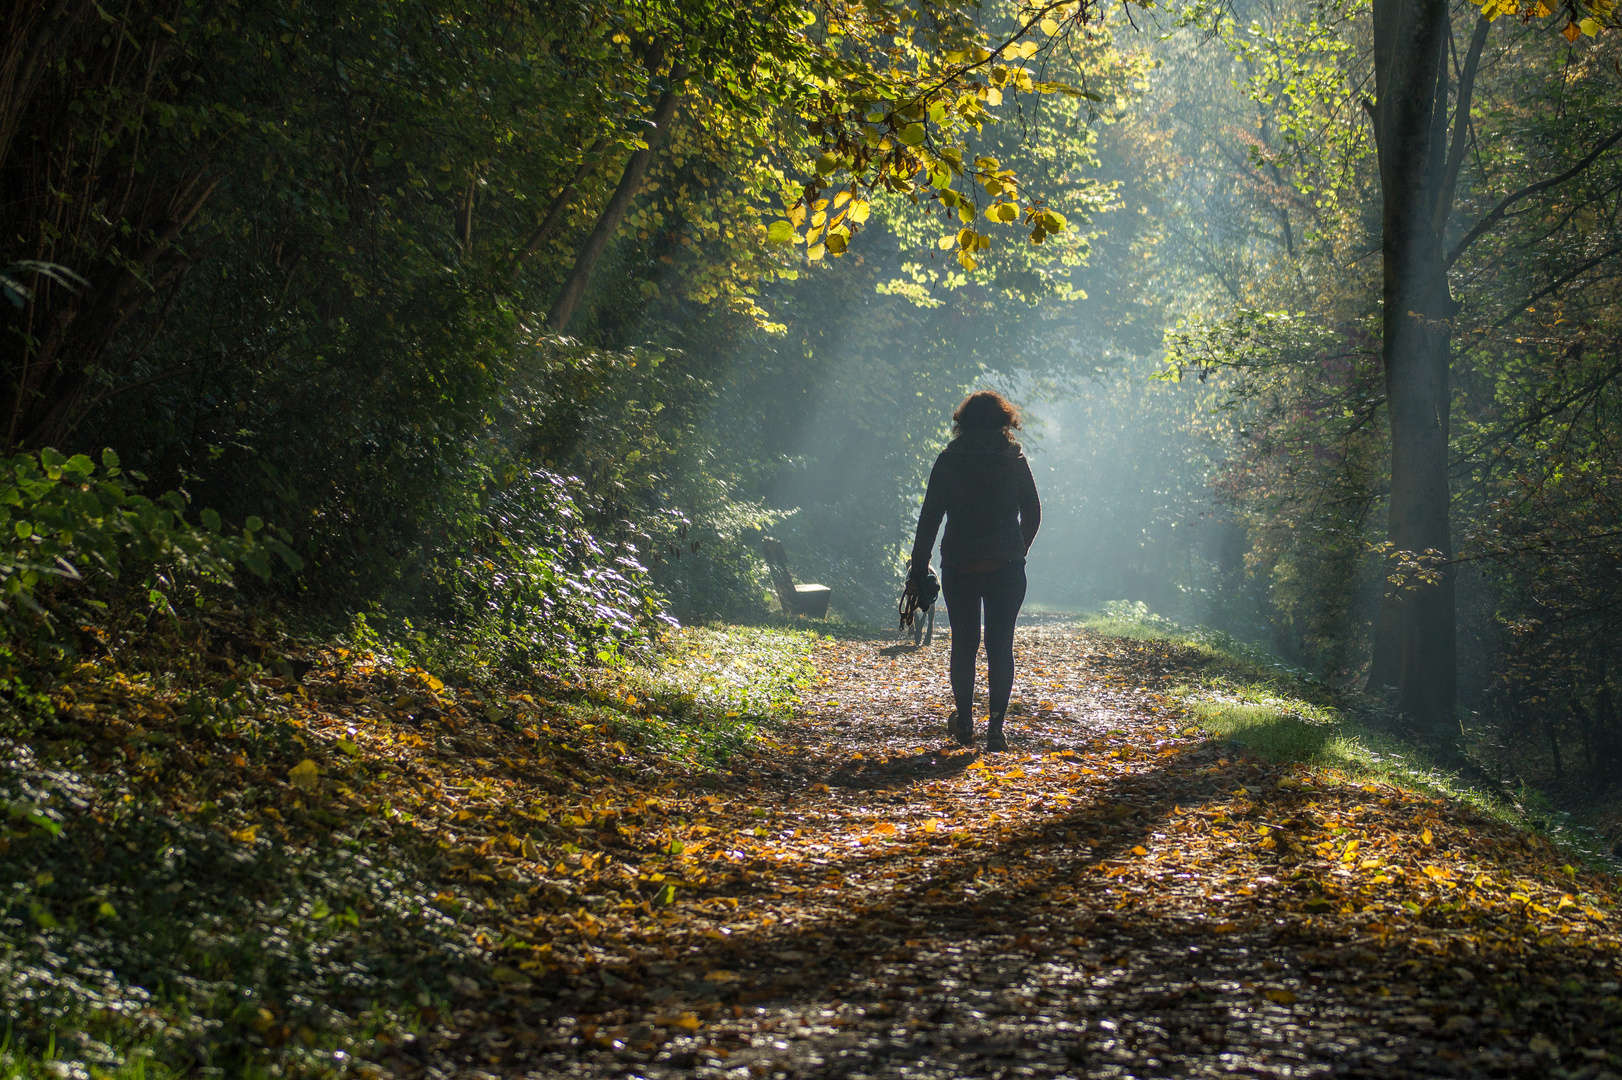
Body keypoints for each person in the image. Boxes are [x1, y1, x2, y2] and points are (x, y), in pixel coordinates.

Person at [908, 390, 1041, 752]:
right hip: (1006, 568)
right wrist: (1017, 550)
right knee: (1001, 646)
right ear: (1004, 422)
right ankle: (996, 727)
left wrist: (919, 566)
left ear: (962, 423)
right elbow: (1033, 512)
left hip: (960, 565)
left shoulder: (949, 462)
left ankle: (965, 720)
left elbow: (929, 519)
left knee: (964, 644)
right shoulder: (1014, 461)